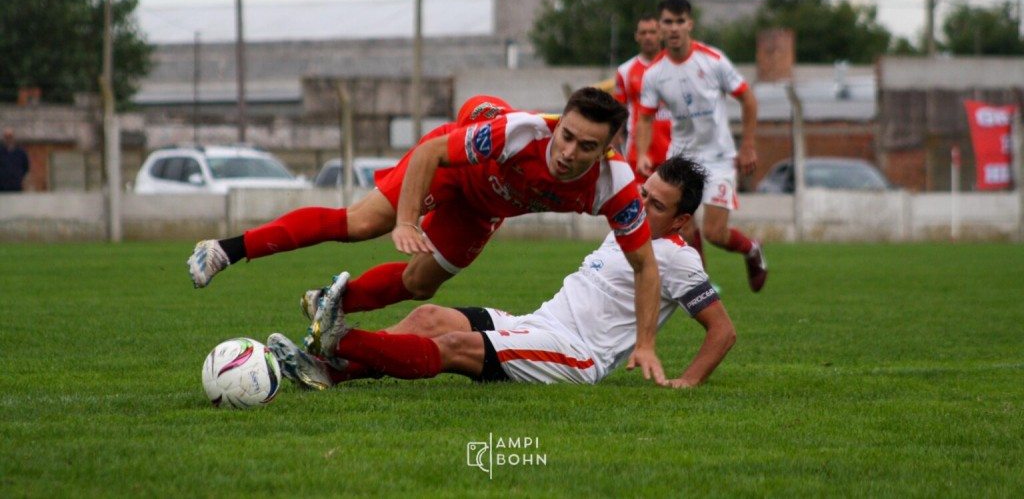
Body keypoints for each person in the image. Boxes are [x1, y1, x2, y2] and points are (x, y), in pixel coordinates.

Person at [189, 87, 666, 380]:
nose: (568, 152)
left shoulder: (615, 186)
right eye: (566, 135)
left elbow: (645, 265)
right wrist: (405, 221)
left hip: (483, 211)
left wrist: (644, 343)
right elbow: (429, 154)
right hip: (451, 172)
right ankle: (224, 250)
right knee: (361, 224)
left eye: (586, 146)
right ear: (557, 123)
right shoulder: (519, 133)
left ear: (607, 150)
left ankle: (328, 303)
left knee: (420, 283)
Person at [267, 157, 735, 390]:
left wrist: (687, 383)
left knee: (453, 347)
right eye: (644, 192)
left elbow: (723, 330)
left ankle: (338, 341)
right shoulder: (628, 226)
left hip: (575, 355)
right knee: (429, 316)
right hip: (538, 324)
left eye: (656, 204)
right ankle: (329, 370)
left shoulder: (678, 256)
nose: (642, 204)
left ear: (680, 221)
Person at [634, 0, 768, 292]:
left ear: (689, 24)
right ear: (660, 27)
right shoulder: (654, 73)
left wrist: (748, 146)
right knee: (681, 225)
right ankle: (701, 285)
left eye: (680, 22)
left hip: (718, 156)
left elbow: (748, 99)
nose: (674, 28)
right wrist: (642, 153)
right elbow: (644, 117)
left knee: (714, 233)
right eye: (668, 22)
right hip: (681, 156)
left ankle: (751, 250)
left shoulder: (713, 60)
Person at [611, 15, 673, 179]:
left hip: (674, 151)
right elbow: (617, 114)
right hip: (637, 155)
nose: (648, 37)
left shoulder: (676, 67)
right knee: (639, 203)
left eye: (652, 32)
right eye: (643, 32)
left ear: (661, 34)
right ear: (636, 36)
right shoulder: (625, 70)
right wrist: (610, 150)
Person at [0, 127, 30, 192]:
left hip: (16, 188)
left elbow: (26, 168)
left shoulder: (21, 152)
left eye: (10, 137)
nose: (8, 139)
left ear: (13, 137)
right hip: (2, 189)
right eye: (6, 137)